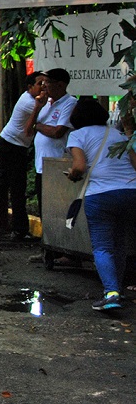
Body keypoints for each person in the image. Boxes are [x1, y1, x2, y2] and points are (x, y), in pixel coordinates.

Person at [65, 98, 136, 311]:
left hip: (101, 195)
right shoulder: (118, 133)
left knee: (103, 246)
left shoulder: (77, 135)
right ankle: (118, 289)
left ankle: (111, 293)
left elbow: (79, 166)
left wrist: (72, 175)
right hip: (131, 192)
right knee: (120, 243)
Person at [0, 72, 45, 240]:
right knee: (5, 185)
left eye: (45, 83)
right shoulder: (30, 103)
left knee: (13, 186)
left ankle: (17, 228)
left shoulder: (32, 99)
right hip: (11, 146)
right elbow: (45, 119)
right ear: (30, 87)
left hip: (16, 146)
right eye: (39, 84)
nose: (43, 87)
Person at [26, 68, 77, 216]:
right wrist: (37, 108)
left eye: (48, 82)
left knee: (58, 209)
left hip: (57, 163)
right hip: (41, 165)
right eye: (42, 82)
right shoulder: (44, 103)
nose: (44, 86)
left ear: (61, 85)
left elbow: (57, 132)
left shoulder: (70, 102)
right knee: (44, 209)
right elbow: (28, 131)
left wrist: (38, 126)